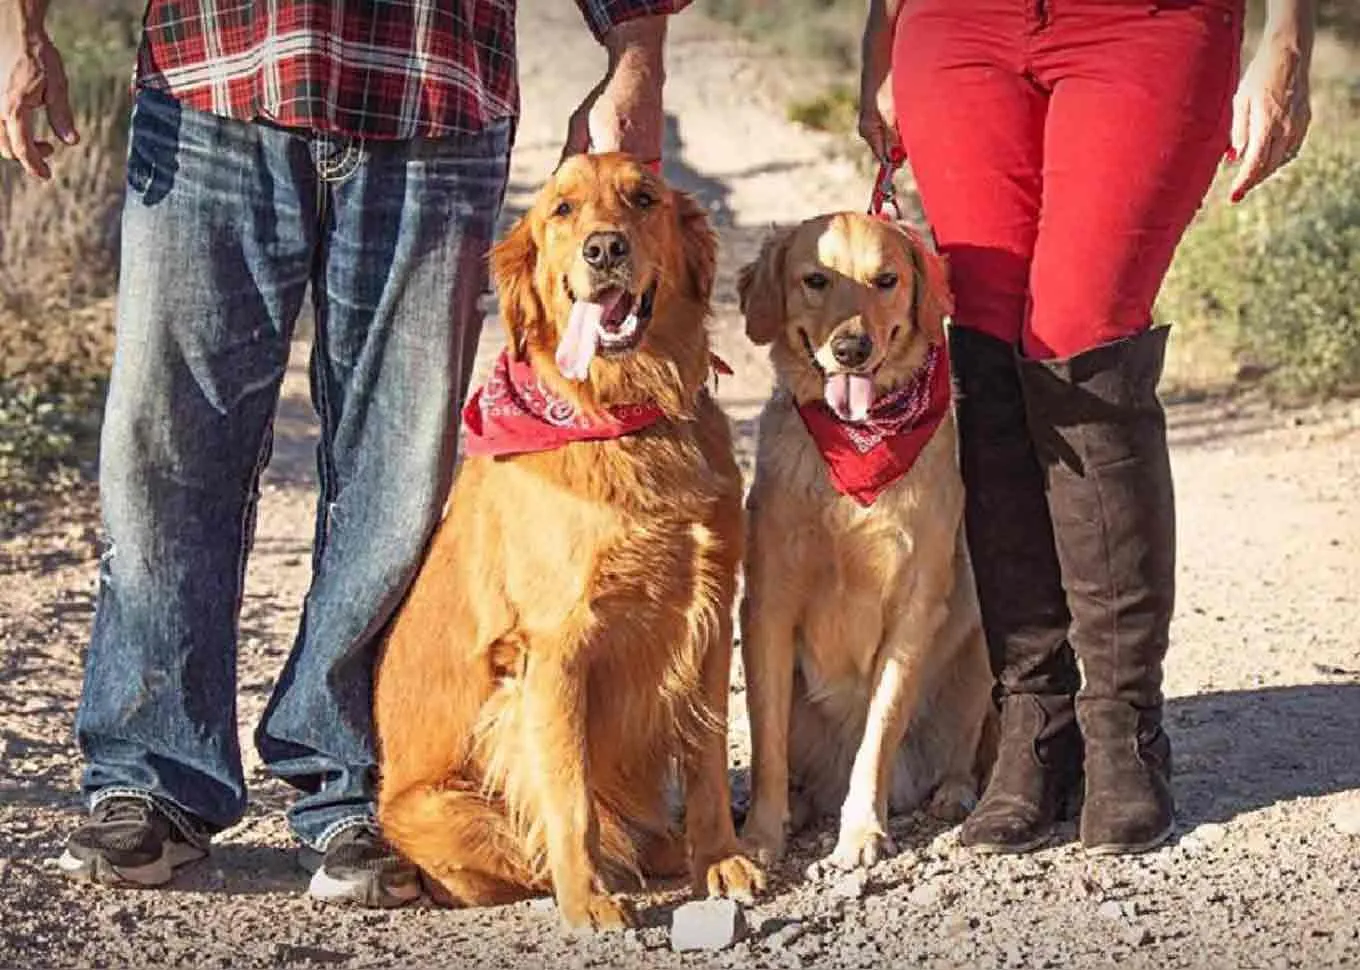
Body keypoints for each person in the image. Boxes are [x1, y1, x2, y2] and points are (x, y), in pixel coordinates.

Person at [1, 0, 690, 905]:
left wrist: (637, 58)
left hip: (432, 97)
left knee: (396, 474)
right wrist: (21, 27)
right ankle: (152, 780)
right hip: (216, 72)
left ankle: (349, 782)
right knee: (166, 452)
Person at [858, 0, 1313, 854]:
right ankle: (1034, 724)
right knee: (985, 344)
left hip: (1147, 20)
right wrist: (879, 33)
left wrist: (1289, 32)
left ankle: (1123, 732)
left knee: (1083, 331)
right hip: (957, 27)